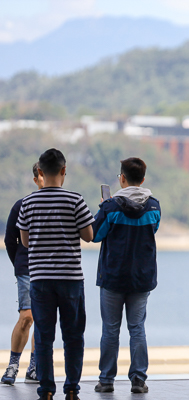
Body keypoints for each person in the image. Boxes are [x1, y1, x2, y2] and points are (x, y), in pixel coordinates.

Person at [17, 149, 94, 400]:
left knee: (44, 337)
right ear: (64, 171)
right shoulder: (75, 200)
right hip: (70, 279)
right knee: (73, 336)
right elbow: (88, 236)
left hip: (40, 280)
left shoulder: (28, 203)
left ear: (39, 171)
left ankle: (46, 390)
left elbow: (25, 242)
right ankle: (71, 388)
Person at [91, 157, 161, 394]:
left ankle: (107, 380)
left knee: (110, 329)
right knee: (137, 328)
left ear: (122, 178)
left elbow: (95, 235)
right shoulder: (154, 206)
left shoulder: (110, 207)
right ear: (142, 179)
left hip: (113, 277)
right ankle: (138, 380)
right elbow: (154, 229)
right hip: (142, 279)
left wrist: (103, 207)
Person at [1, 162, 44, 386]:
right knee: (26, 316)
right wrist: (19, 265)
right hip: (27, 268)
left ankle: (35, 365)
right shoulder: (22, 205)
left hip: (50, 268)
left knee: (42, 320)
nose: (44, 179)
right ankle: (13, 364)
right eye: (40, 176)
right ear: (35, 179)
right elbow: (10, 240)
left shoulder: (60, 203)